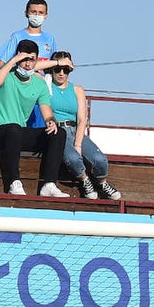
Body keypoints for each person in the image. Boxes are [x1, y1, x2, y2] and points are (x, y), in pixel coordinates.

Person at [0, 39, 68, 197]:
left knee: (58, 133)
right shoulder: (4, 73)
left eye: (31, 60)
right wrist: (14, 60)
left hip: (17, 135)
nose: (27, 64)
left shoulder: (39, 84)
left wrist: (51, 122)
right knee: (14, 129)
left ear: (37, 61)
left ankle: (49, 184)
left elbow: (47, 112)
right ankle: (14, 182)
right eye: (24, 59)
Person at [46, 51, 122, 200]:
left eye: (66, 70)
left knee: (100, 159)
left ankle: (102, 183)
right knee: (73, 159)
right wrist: (57, 62)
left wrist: (78, 143)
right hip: (58, 130)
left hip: (75, 129)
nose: (61, 73)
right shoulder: (46, 85)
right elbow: (32, 68)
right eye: (58, 69)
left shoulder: (77, 89)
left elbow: (82, 119)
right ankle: (85, 180)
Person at [0, 0, 57, 129]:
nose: (37, 15)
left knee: (42, 131)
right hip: (20, 93)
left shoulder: (50, 39)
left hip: (40, 94)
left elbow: (53, 67)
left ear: (46, 15)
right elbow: (0, 65)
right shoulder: (17, 37)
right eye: (34, 12)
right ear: (26, 13)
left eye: (40, 13)